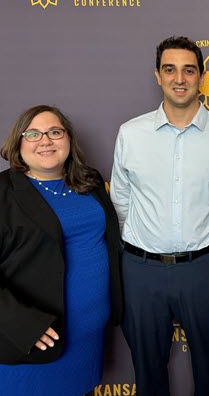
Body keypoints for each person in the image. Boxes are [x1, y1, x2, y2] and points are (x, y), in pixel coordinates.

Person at [110, 36, 209, 396]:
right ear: (158, 75)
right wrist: (136, 252)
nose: (179, 78)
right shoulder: (131, 133)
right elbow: (121, 201)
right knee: (148, 371)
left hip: (205, 269)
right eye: (170, 69)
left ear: (201, 77)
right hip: (142, 271)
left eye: (189, 70)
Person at [0, 105, 122, 395]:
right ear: (18, 142)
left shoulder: (88, 182)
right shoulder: (3, 193)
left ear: (68, 139)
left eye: (55, 132)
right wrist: (25, 325)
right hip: (33, 338)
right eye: (33, 134)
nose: (46, 140)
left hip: (88, 337)